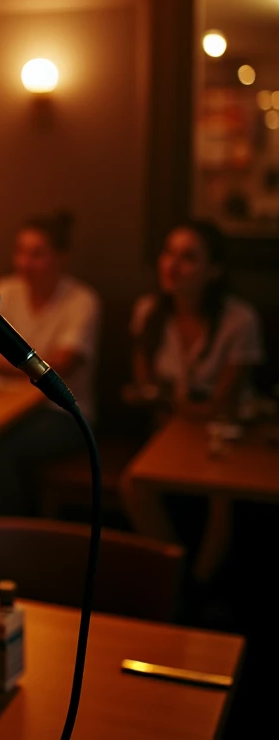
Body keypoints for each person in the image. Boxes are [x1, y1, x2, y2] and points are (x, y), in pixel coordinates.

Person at [121, 219, 264, 590]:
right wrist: (163, 400)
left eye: (188, 257)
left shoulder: (239, 320)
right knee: (133, 484)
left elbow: (222, 404)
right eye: (168, 253)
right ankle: (175, 572)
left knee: (219, 492)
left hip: (227, 431)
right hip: (169, 427)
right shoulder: (149, 311)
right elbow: (145, 386)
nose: (172, 265)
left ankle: (204, 585)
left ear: (213, 270)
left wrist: (166, 399)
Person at [0, 212, 101, 515]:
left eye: (37, 254)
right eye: (20, 252)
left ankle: (9, 543)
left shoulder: (82, 301)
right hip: (0, 408)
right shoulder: (5, 291)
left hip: (63, 413)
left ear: (62, 258)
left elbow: (61, 364)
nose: (25, 262)